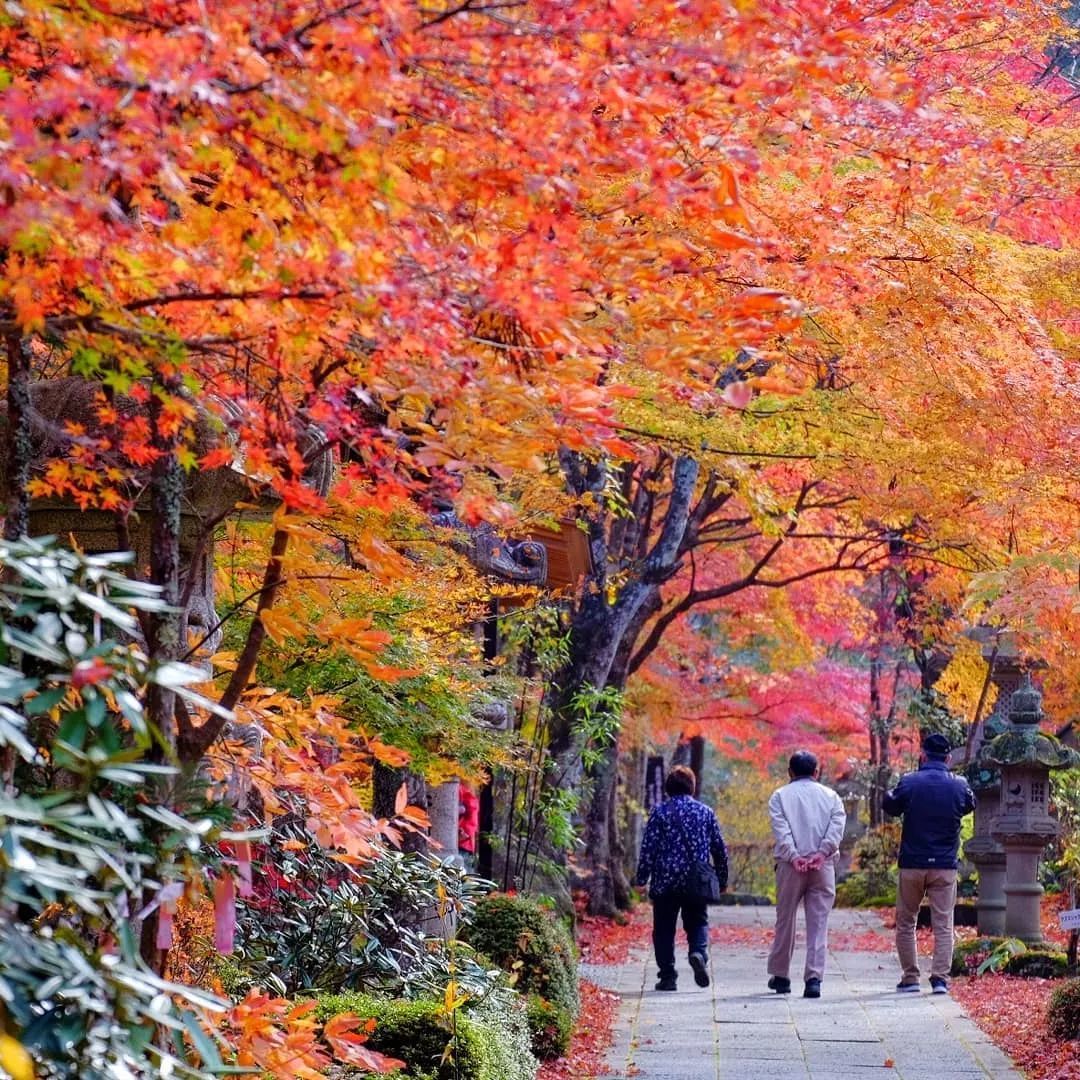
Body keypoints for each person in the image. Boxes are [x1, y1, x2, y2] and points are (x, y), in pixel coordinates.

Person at [883, 732, 976, 994]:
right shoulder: (959, 785)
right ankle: (939, 980)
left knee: (906, 921)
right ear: (948, 758)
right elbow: (970, 804)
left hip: (913, 862)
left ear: (923, 755)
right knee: (944, 924)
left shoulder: (910, 782)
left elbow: (891, 805)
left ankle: (911, 977)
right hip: (945, 865)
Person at [635, 765, 728, 992]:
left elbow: (649, 848)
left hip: (665, 881)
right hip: (696, 881)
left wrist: (641, 877)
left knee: (664, 929)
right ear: (692, 787)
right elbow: (719, 849)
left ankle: (668, 976)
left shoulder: (659, 812)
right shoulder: (705, 812)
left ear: (668, 788)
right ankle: (698, 953)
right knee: (697, 921)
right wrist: (721, 879)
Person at [766, 750, 846, 999]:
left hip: (791, 866)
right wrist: (822, 853)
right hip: (822, 866)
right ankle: (813, 978)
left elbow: (782, 830)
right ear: (816, 772)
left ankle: (781, 975)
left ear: (790, 772)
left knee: (785, 919)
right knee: (818, 923)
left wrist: (794, 856)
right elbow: (836, 828)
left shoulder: (780, 796)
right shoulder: (831, 797)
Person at [458, 783, 480, 870]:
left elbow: (469, 809)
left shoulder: (462, 790)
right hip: (466, 843)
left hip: (462, 843)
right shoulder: (466, 792)